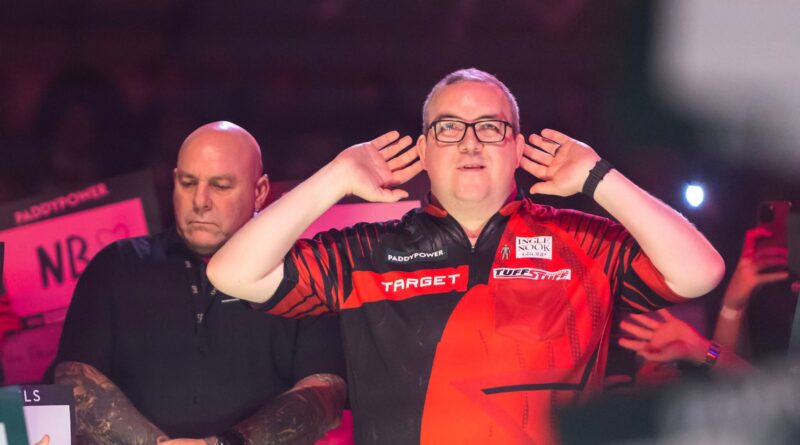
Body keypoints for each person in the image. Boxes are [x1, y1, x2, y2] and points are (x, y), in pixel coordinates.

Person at [208, 69, 725, 444]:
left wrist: (598, 178)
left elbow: (700, 273)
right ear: (424, 152)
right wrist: (336, 176)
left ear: (518, 149)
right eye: (449, 127)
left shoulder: (582, 241)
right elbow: (232, 273)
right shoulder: (367, 251)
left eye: (490, 127)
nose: (470, 143)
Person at [53, 121, 347, 444]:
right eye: (188, 183)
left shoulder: (303, 274)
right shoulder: (117, 265)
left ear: (260, 191)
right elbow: (72, 379)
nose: (200, 200)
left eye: (220, 186)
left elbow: (326, 393)